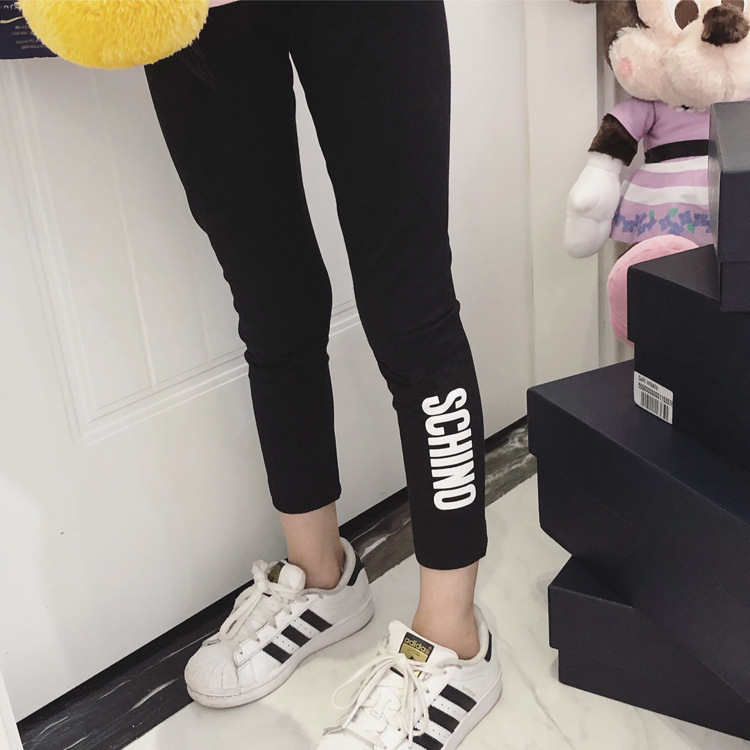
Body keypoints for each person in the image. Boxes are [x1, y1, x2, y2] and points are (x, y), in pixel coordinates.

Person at [143, 2, 502, 747]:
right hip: (189, 16)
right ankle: (320, 577)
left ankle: (452, 637)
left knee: (410, 306)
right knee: (271, 302)